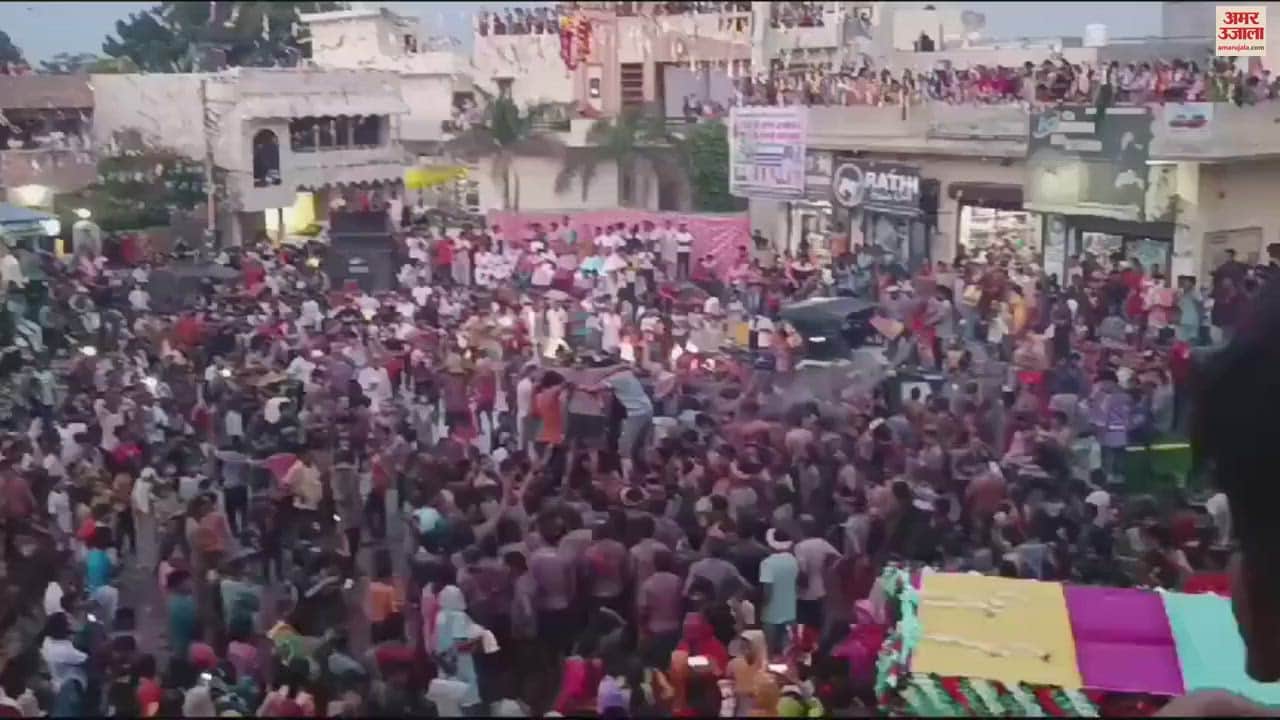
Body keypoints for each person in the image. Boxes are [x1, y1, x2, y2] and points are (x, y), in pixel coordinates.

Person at [759, 527, 800, 657]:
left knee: (769, 652)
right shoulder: (794, 560)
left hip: (771, 615)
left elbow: (767, 592)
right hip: (791, 613)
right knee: (788, 653)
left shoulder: (767, 563)